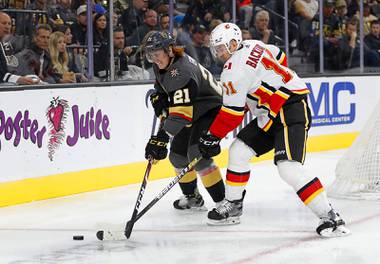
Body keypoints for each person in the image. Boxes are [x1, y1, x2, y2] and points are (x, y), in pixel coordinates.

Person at [198, 22, 350, 238]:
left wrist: (211, 137)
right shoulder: (253, 44)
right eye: (216, 49)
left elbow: (232, 114)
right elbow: (280, 57)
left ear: (234, 43)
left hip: (290, 106)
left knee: (288, 167)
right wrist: (274, 83)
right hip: (270, 112)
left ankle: (331, 218)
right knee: (238, 151)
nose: (219, 53)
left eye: (221, 48)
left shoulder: (232, 71)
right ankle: (233, 206)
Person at [143, 30, 225, 211]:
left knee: (198, 156)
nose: (154, 59)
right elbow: (164, 88)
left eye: (157, 54)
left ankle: (224, 204)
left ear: (169, 49)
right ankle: (192, 197)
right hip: (193, 109)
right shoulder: (163, 64)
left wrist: (162, 137)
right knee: (178, 157)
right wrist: (160, 99)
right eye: (150, 56)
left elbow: (181, 115)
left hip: (210, 109)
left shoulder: (182, 71)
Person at [0, 12, 38, 85]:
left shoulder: (5, 44)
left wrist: (27, 77)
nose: (7, 27)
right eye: (4, 23)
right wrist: (17, 79)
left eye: (9, 24)